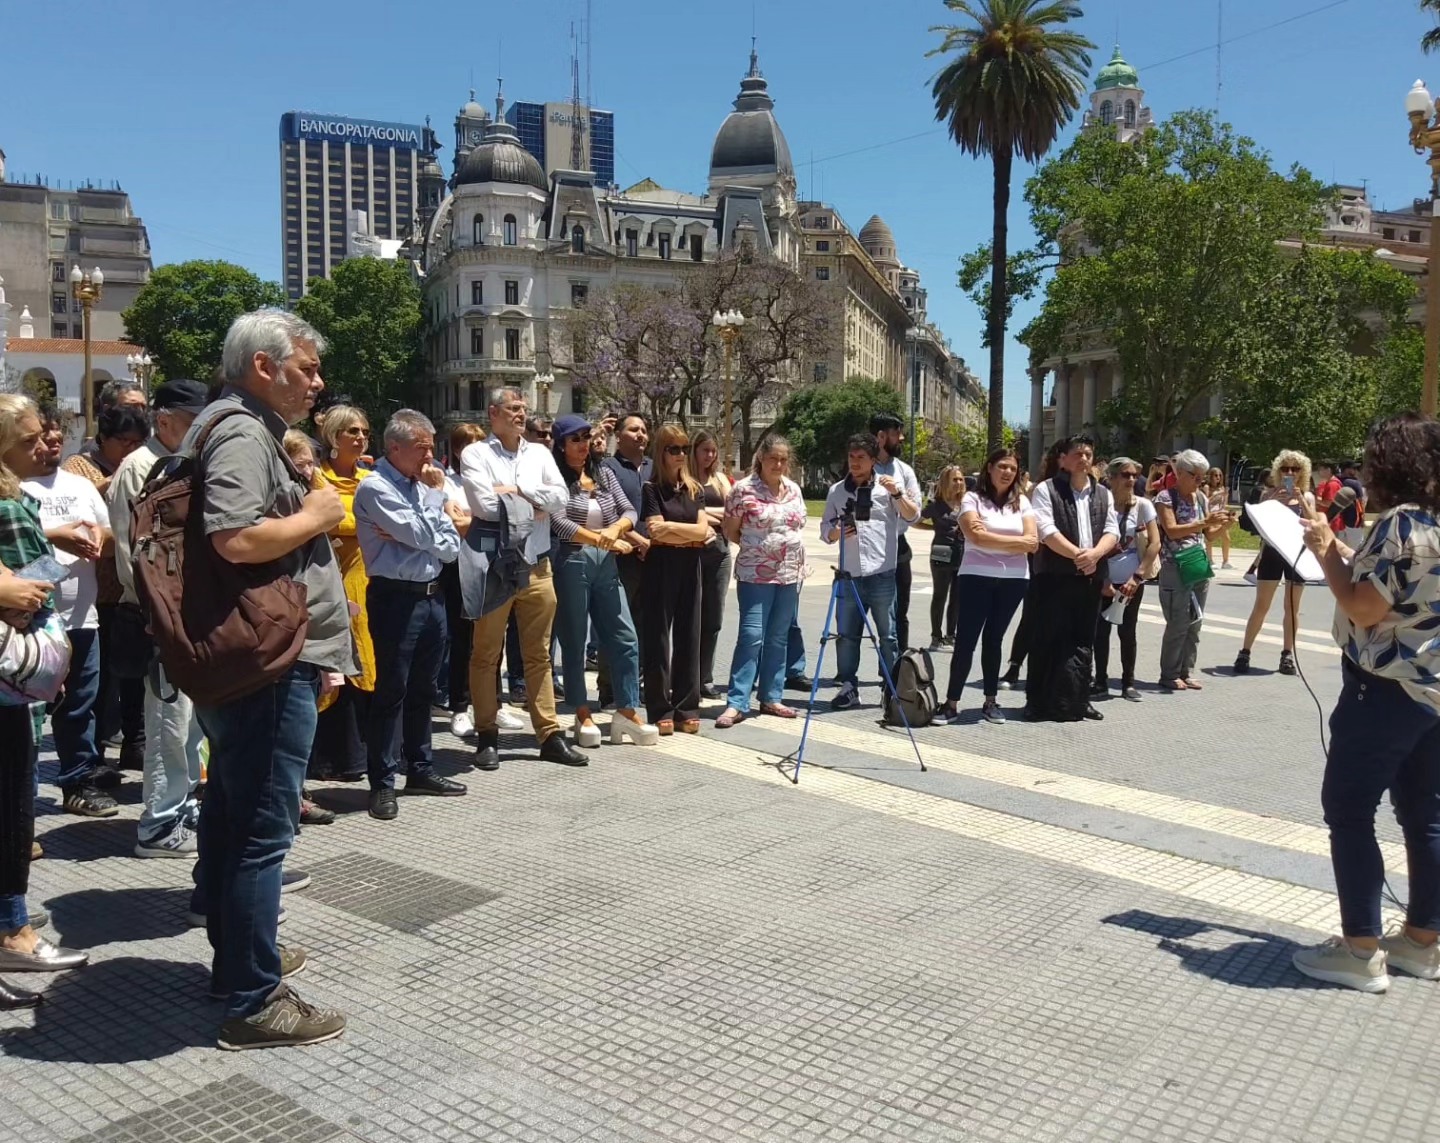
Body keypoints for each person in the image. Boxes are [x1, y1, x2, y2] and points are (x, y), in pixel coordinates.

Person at [186, 308, 351, 1049]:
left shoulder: (226, 425)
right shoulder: (243, 431)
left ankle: (237, 957)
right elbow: (234, 536)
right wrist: (317, 512)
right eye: (307, 368)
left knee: (231, 809)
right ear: (264, 365)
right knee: (261, 830)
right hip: (269, 659)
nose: (318, 382)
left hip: (249, 655)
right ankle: (257, 998)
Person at [1291, 414, 1440, 993]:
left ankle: (1360, 950)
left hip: (1381, 688)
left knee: (1349, 810)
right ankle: (1423, 940)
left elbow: (1364, 608)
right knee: (1425, 816)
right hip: (1429, 688)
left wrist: (1326, 548)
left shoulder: (1402, 524)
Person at [0, 394, 87, 1010]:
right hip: (10, 682)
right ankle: (14, 931)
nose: (45, 445)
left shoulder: (16, 499)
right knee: (10, 808)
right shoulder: (8, 503)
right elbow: (30, 586)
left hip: (15, 685)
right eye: (30, 438)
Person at [108, 379, 210, 856]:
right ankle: (159, 821)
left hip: (188, 614)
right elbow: (134, 555)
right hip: (160, 618)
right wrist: (160, 615)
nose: (199, 432)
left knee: (187, 722)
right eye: (192, 422)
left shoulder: (183, 463)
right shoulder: (139, 467)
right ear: (164, 420)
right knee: (168, 719)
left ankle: (181, 806)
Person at [463, 388, 587, 771]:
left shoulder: (539, 453)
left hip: (537, 564)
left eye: (523, 409)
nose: (521, 414)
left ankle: (549, 735)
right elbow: (483, 506)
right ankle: (486, 734)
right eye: (513, 409)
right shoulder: (475, 454)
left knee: (540, 655)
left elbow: (561, 501)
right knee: (486, 654)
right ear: (493, 412)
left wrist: (516, 492)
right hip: (495, 566)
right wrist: (533, 502)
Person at [353, 411, 466, 821]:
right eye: (423, 448)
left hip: (433, 596)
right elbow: (422, 536)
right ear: (395, 447)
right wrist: (434, 509)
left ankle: (420, 768)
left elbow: (451, 547)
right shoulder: (377, 487)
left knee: (424, 690)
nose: (430, 457)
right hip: (395, 598)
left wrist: (427, 525)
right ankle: (382, 782)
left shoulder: (422, 485)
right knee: (391, 692)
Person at [23, 411, 122, 815]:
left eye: (55, 436)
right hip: (29, 625)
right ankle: (20, 801)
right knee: (26, 716)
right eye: (39, 437)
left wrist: (103, 536)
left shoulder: (80, 486)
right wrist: (56, 538)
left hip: (82, 618)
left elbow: (111, 535)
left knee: (79, 707)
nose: (51, 444)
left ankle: (79, 782)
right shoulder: (14, 489)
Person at [548, 414, 656, 747]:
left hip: (606, 561)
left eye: (586, 437)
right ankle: (582, 712)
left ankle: (626, 709)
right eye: (575, 439)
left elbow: (629, 511)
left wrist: (614, 531)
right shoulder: (554, 478)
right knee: (575, 637)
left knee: (624, 634)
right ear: (562, 444)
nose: (583, 445)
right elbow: (559, 522)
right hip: (572, 560)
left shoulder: (604, 471)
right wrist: (602, 538)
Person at [63, 404, 150, 779]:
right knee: (98, 684)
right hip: (95, 592)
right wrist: (112, 485)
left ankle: (136, 743)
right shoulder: (79, 469)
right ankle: (92, 755)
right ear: (103, 439)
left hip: (130, 589)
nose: (130, 450)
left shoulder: (144, 465)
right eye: (123, 442)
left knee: (134, 674)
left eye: (137, 442)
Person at [822, 432, 920, 711]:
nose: (855, 462)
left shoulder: (888, 489)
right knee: (846, 635)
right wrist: (835, 532)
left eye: (861, 457)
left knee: (888, 636)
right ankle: (848, 687)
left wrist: (897, 493)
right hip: (848, 574)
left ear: (873, 460)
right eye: (851, 457)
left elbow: (913, 515)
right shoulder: (837, 491)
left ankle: (891, 688)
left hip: (882, 574)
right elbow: (825, 530)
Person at [938, 448, 1036, 724]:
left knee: (994, 640)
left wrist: (990, 539)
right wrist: (1015, 544)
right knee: (966, 641)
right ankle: (951, 702)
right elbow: (975, 536)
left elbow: (1033, 541)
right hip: (976, 577)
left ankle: (990, 701)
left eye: (1013, 469)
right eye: (1002, 466)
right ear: (989, 468)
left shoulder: (1023, 502)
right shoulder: (972, 498)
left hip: (1015, 580)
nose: (1007, 472)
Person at [1024, 434, 1119, 722]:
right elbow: (1046, 530)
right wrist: (1079, 555)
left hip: (1090, 578)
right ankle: (1037, 701)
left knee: (1084, 640)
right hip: (1054, 577)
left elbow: (1112, 530)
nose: (1084, 459)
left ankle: (1079, 699)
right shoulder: (1046, 490)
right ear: (1062, 459)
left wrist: (1095, 556)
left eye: (1088, 454)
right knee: (1046, 638)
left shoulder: (1103, 493)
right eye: (1077, 454)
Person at [715, 435, 807, 729]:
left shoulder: (793, 489)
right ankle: (737, 702)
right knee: (752, 635)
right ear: (761, 459)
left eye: (782, 459)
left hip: (789, 574)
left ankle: (771, 696)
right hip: (755, 574)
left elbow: (798, 525)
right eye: (772, 458)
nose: (777, 464)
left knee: (779, 637)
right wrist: (759, 549)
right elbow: (730, 529)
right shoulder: (743, 490)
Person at [309, 406, 375, 782]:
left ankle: (367, 753)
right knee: (337, 668)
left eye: (364, 431)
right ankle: (334, 759)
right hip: (334, 586)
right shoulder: (319, 480)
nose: (360, 437)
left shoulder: (369, 478)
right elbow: (338, 520)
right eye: (352, 431)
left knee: (370, 662)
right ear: (333, 437)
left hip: (370, 583)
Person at [641, 424, 710, 734]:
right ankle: (659, 706)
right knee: (658, 637)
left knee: (689, 634)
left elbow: (705, 531)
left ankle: (686, 706)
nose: (680, 454)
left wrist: (674, 532)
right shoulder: (651, 489)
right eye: (674, 449)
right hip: (660, 566)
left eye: (684, 448)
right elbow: (654, 529)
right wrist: (690, 534)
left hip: (690, 566)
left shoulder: (694, 489)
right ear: (661, 452)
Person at [1234, 449, 1315, 677]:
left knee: (1292, 608)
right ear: (1278, 471)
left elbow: (1315, 523)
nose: (1290, 472)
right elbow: (1257, 521)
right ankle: (1245, 651)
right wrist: (1271, 499)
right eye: (1285, 468)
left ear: (1303, 472)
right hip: (1271, 553)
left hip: (1296, 555)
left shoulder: (1307, 497)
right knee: (1262, 605)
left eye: (1295, 469)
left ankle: (1287, 654)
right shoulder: (1268, 493)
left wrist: (1300, 500)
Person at [1153, 450, 1229, 692]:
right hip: (1175, 566)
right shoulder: (1166, 497)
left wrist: (1223, 525)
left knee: (1195, 622)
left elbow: (1208, 535)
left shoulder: (1201, 499)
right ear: (1180, 473)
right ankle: (1169, 674)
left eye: (1202, 477)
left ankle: (1188, 671)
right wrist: (1205, 523)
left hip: (1198, 564)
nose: (1199, 481)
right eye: (1195, 476)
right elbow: (1172, 530)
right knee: (1178, 622)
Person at [1000, 441, 1066, 691]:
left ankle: (1055, 669)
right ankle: (1015, 665)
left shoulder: (1082, 489)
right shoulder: (1039, 490)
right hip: (1041, 561)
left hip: (1069, 565)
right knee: (1031, 616)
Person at [1094, 457, 1161, 702]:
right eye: (1125, 475)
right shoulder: (1101, 504)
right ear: (1111, 478)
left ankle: (1128, 682)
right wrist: (1103, 581)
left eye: (1134, 475)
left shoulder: (1143, 506)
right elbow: (1092, 543)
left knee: (1127, 631)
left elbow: (1155, 542)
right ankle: (1100, 680)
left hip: (1132, 580)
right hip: (1103, 581)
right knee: (1100, 633)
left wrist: (1138, 576)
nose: (1131, 479)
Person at [599, 413, 652, 704]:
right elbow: (612, 514)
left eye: (644, 430)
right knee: (616, 624)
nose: (641, 435)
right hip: (622, 558)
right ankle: (608, 688)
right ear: (618, 435)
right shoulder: (608, 468)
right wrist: (637, 541)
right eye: (634, 430)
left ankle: (635, 685)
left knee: (644, 625)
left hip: (652, 560)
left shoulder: (653, 468)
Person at [440, 423, 486, 737]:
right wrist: (487, 520)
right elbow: (457, 524)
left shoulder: (492, 482)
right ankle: (459, 705)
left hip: (491, 563)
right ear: (457, 450)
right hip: (459, 564)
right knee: (462, 638)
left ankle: (491, 703)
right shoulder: (446, 483)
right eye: (470, 445)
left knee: (490, 638)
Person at [870, 414, 922, 654]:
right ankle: (846, 675)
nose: (901, 438)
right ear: (880, 437)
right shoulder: (860, 467)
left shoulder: (905, 471)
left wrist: (897, 494)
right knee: (856, 614)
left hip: (898, 548)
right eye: (895, 432)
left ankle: (900, 668)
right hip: (865, 546)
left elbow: (914, 513)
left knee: (899, 612)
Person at [691, 430, 734, 698]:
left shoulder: (720, 480)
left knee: (713, 617)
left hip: (719, 552)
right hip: (691, 552)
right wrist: (703, 515)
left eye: (713, 451)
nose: (709, 455)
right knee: (690, 617)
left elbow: (731, 512)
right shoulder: (686, 479)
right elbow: (684, 510)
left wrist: (703, 513)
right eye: (705, 450)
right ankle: (685, 675)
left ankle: (705, 676)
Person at [923, 466, 966, 648]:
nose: (958, 483)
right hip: (941, 549)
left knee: (957, 596)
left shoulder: (966, 503)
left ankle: (951, 634)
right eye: (954, 479)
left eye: (960, 479)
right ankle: (936, 635)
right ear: (945, 482)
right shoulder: (936, 505)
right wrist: (934, 528)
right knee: (940, 595)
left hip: (962, 551)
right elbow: (916, 519)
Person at [1202, 466, 1233, 570]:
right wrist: (1216, 494)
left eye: (1220, 475)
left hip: (1221, 515)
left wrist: (1225, 495)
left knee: (1226, 538)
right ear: (1211, 476)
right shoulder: (1207, 487)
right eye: (1215, 475)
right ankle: (1210, 560)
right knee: (1210, 538)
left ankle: (1225, 561)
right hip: (1211, 515)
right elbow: (1206, 501)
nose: (1218, 477)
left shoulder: (1222, 488)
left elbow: (1223, 504)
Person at [1338, 458, 1368, 550]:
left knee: (1340, 548)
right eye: (1354, 468)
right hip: (1353, 520)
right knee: (1356, 548)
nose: (1356, 471)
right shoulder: (1355, 483)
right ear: (1347, 469)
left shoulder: (1334, 480)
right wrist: (1362, 520)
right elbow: (1361, 502)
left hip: (1337, 520)